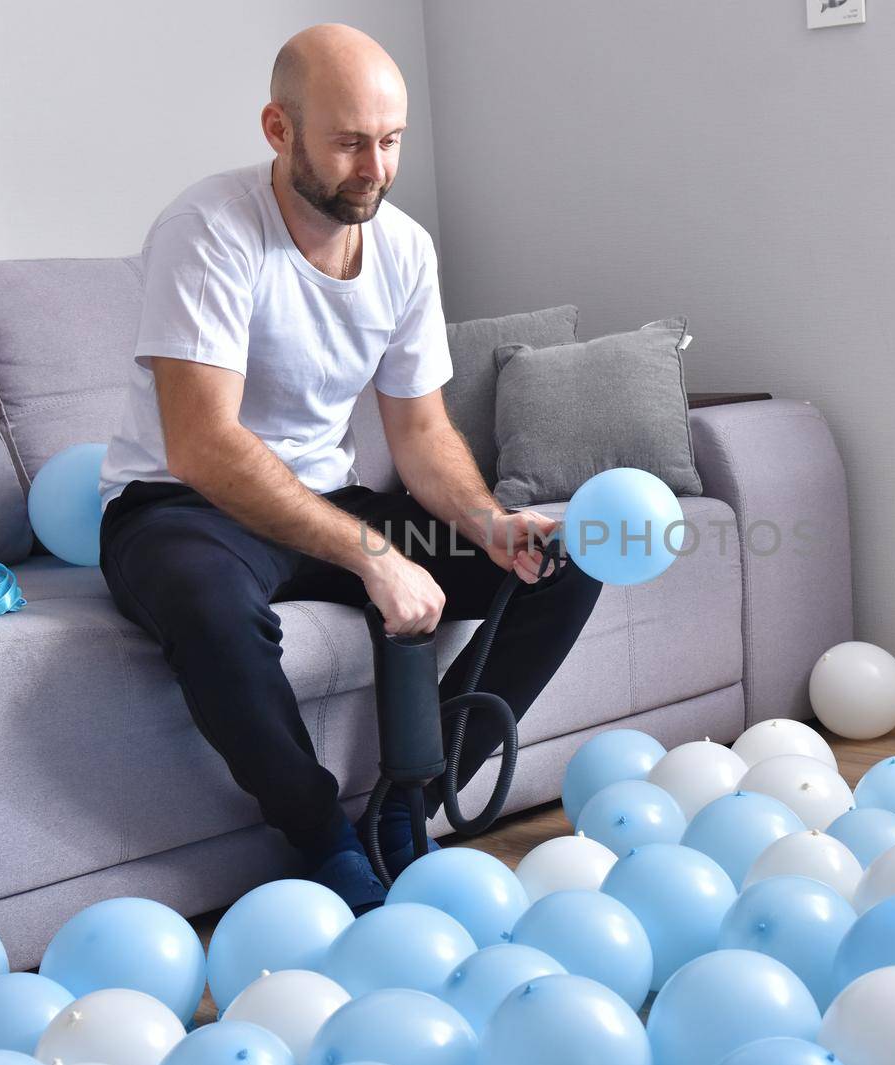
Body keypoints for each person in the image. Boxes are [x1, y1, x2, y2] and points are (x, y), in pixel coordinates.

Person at [95, 23, 602, 913]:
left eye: (392, 140)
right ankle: (324, 837)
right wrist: (372, 556)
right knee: (208, 604)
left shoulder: (405, 249)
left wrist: (488, 524)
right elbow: (203, 443)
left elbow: (420, 432)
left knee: (562, 564)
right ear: (278, 128)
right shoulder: (207, 229)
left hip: (325, 499)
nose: (374, 166)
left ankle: (405, 814)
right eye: (349, 142)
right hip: (184, 506)